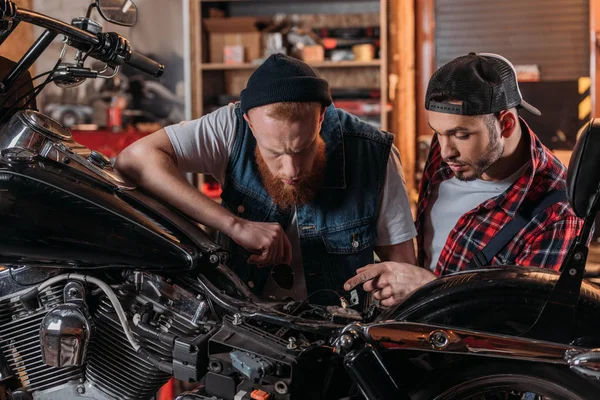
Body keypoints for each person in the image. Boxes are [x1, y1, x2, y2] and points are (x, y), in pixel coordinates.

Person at [115, 53, 417, 307]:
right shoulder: (229, 127)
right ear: (248, 122)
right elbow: (134, 159)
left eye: (303, 149)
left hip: (336, 340)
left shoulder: (373, 153)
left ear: (321, 117)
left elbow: (405, 272)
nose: (290, 170)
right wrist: (235, 225)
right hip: (245, 331)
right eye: (274, 153)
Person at [345, 52, 583, 306]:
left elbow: (524, 321)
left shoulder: (557, 213)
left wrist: (424, 288)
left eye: (460, 134)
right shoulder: (450, 152)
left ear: (506, 124)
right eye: (438, 133)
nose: (446, 151)